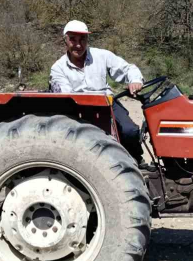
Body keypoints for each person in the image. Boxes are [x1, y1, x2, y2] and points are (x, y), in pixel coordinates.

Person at [49, 20, 145, 161]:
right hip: (78, 109)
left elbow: (128, 69)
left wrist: (135, 80)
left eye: (82, 39)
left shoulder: (102, 56)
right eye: (73, 39)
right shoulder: (58, 68)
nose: (78, 45)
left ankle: (137, 160)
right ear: (65, 41)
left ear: (88, 40)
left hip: (107, 102)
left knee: (130, 131)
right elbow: (65, 97)